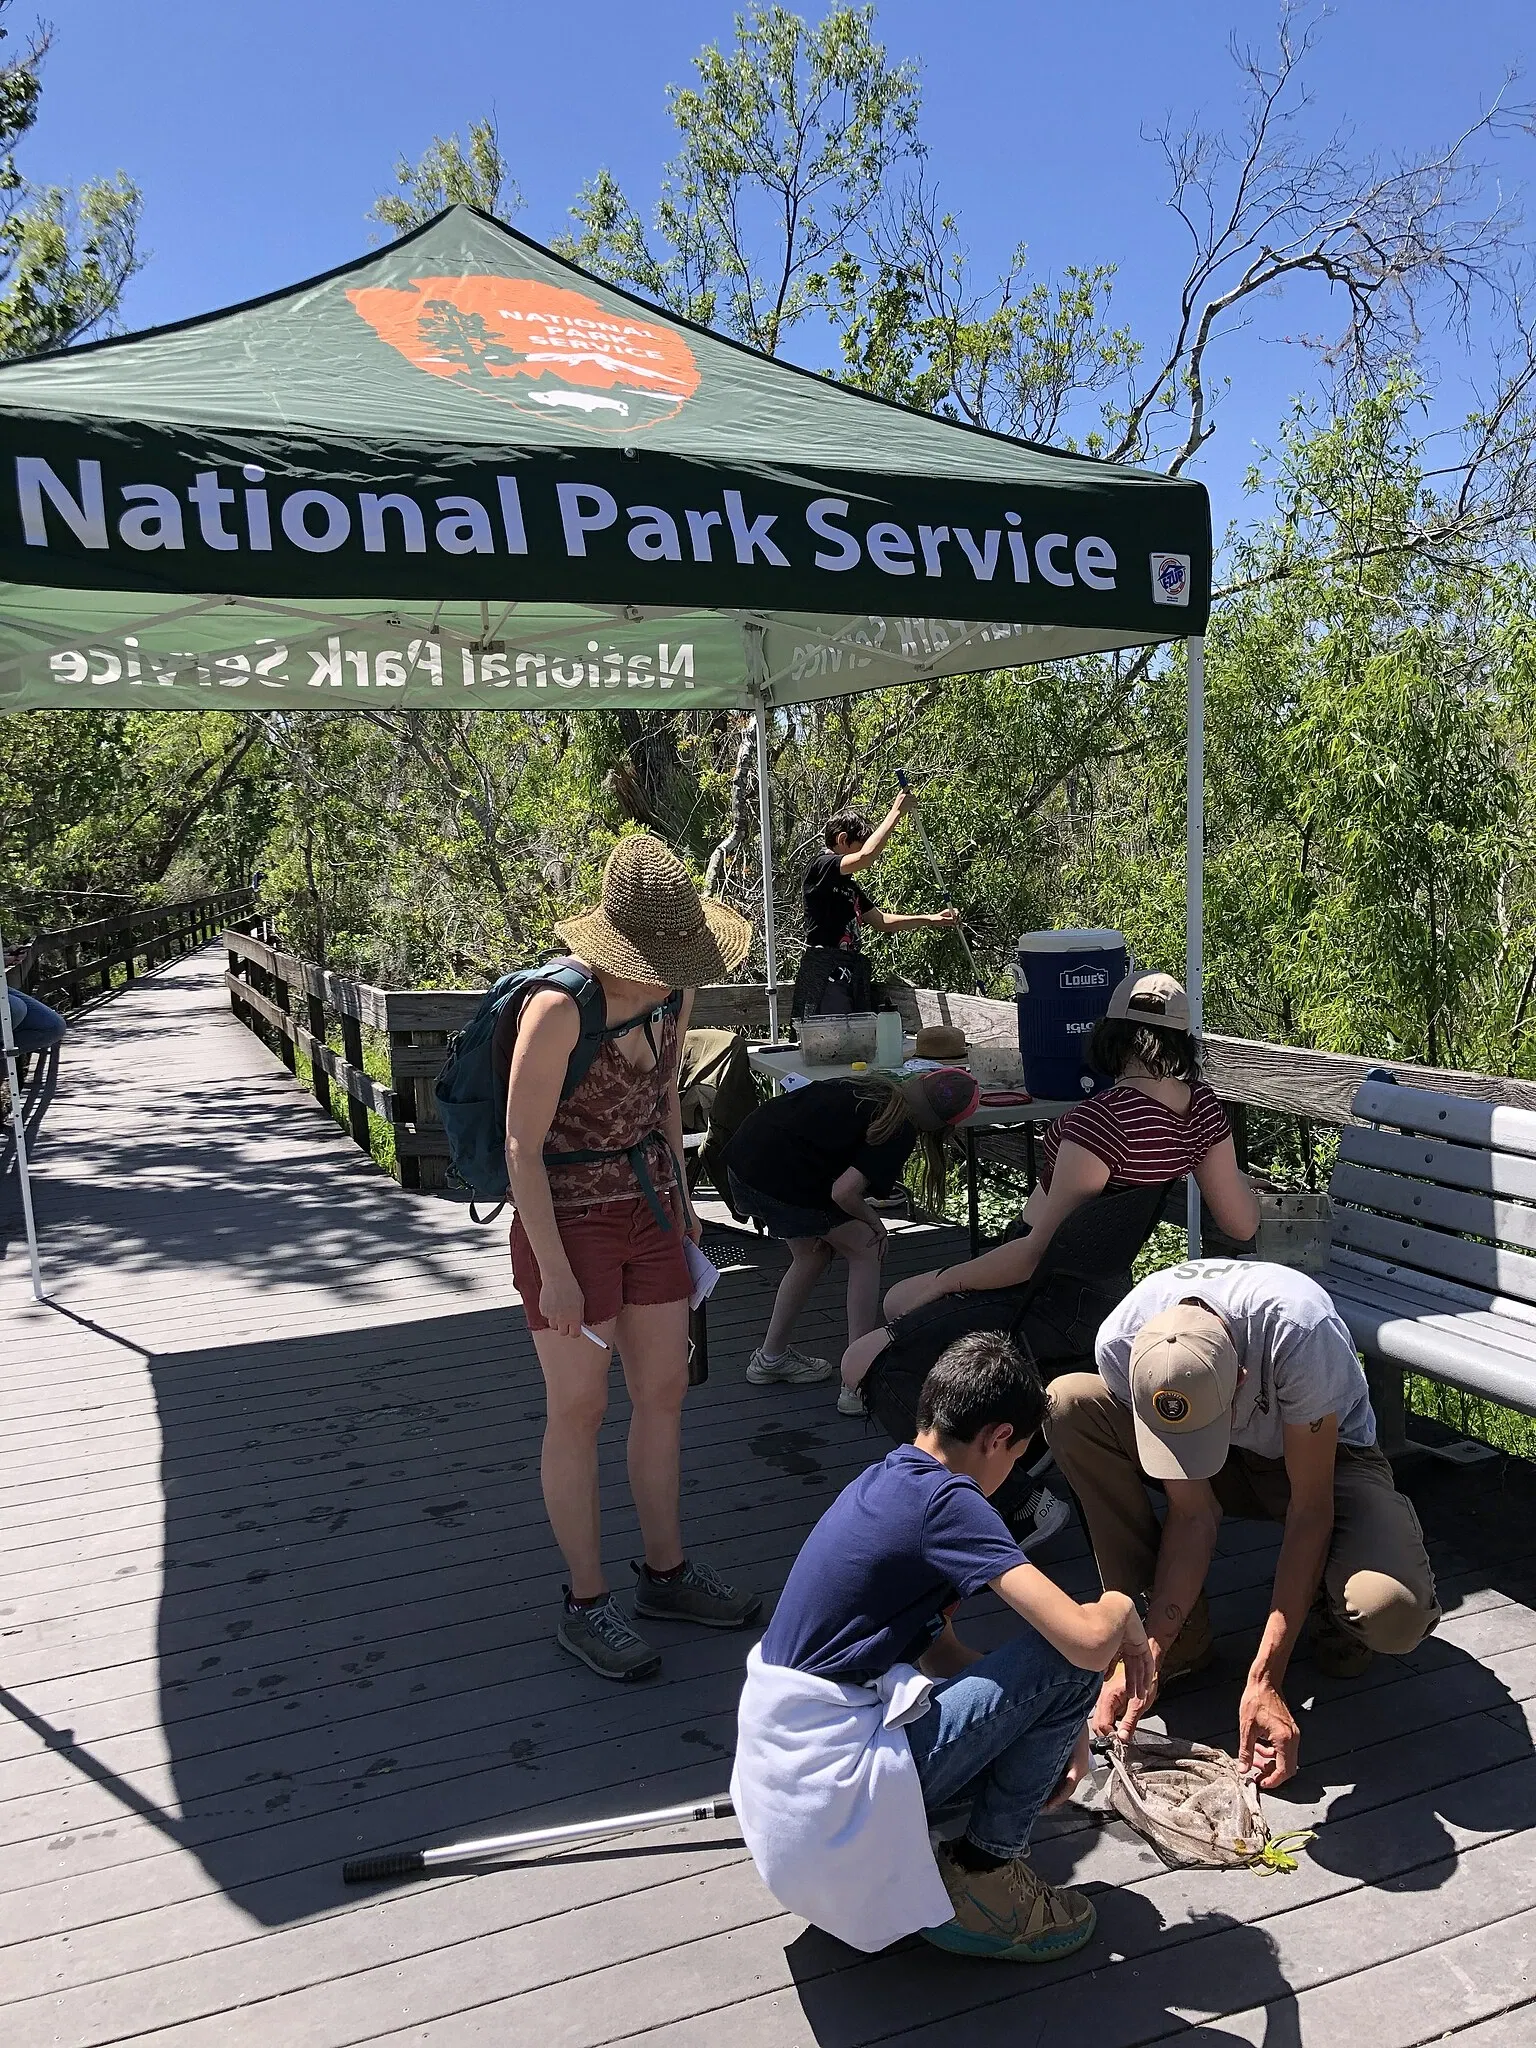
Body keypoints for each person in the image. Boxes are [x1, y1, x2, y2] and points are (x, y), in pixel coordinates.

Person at [731, 1332, 1152, 1961]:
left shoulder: (889, 1480)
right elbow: (1086, 1645)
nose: (1009, 1476)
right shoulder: (948, 1503)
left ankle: (962, 1859)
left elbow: (945, 1657)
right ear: (997, 1438)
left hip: (789, 1807)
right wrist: (1122, 1607)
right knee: (1063, 1659)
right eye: (1017, 1457)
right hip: (831, 1795)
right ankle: (985, 1875)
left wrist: (1057, 1728)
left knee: (1054, 1677)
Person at [841, 971, 1260, 1541]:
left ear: (1110, 1034)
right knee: (898, 1306)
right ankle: (1016, 1447)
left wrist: (942, 1281)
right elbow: (1242, 1222)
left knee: (863, 1359)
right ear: (1184, 1039)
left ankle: (1019, 1503)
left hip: (1041, 1293)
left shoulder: (1100, 1122)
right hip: (1101, 1292)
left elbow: (1032, 1255)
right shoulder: (1201, 1111)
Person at [501, 835, 761, 1682]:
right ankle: (586, 1601)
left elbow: (664, 1110)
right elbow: (520, 1148)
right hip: (568, 1223)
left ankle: (666, 1572)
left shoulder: (673, 994)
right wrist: (555, 1271)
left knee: (664, 1392)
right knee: (579, 1409)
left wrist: (685, 1207)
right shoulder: (558, 1009)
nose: (677, 974)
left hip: (650, 1210)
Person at [1047, 1258, 1441, 1790]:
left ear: (1240, 1376)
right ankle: (1172, 1636)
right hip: (1227, 1460)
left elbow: (1310, 1510)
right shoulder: (1122, 1341)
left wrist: (1265, 1678)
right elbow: (1194, 1513)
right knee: (1069, 1403)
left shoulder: (1299, 1330)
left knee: (1392, 1612)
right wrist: (1150, 1648)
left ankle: (1335, 1597)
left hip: (1326, 1462)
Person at [727, 1068, 980, 1387]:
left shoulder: (871, 1085)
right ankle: (857, 1379)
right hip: (780, 1176)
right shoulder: (899, 1128)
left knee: (812, 1256)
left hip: (744, 1158)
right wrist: (875, 1222)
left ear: (917, 1081)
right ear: (945, 1126)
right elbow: (844, 1192)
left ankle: (770, 1359)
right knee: (867, 1247)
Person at [792, 795, 961, 1020]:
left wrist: (931, 919)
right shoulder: (821, 867)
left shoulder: (850, 888)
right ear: (843, 839)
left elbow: (882, 922)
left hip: (849, 972)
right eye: (859, 845)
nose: (863, 855)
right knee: (835, 1035)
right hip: (825, 974)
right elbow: (866, 857)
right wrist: (896, 812)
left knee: (857, 1035)